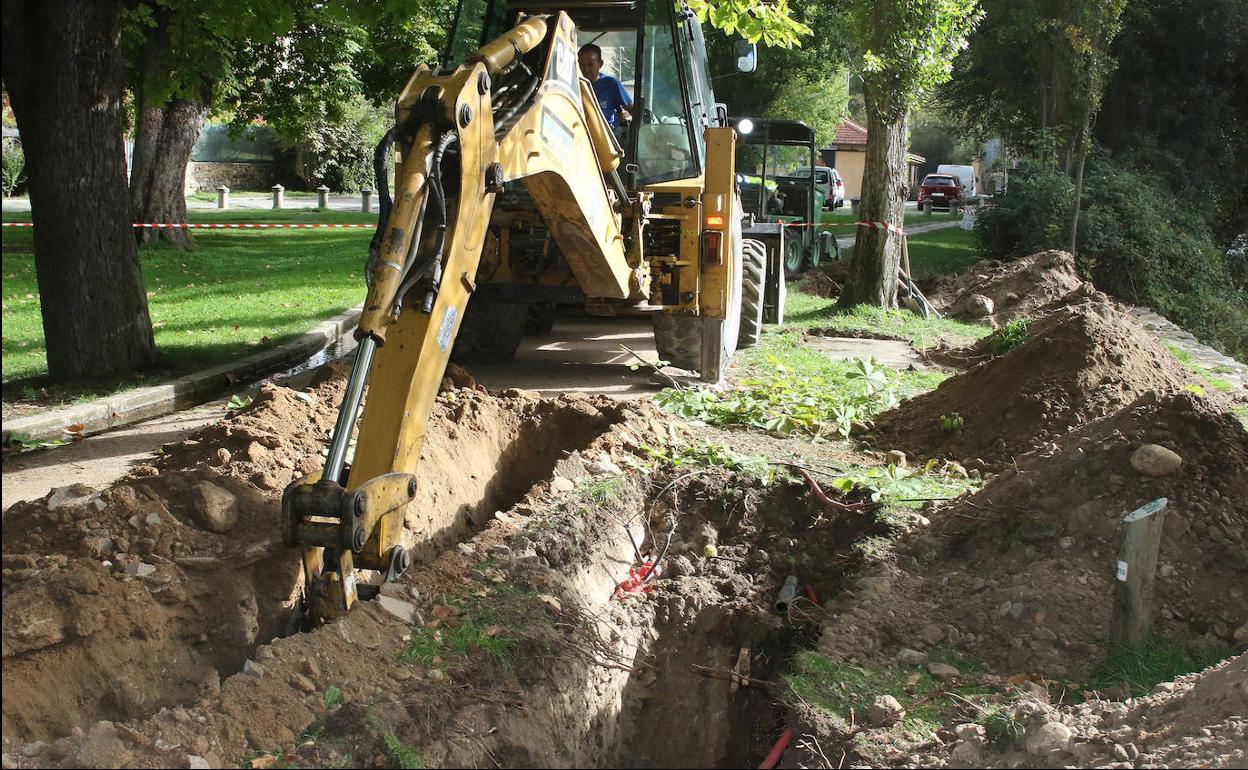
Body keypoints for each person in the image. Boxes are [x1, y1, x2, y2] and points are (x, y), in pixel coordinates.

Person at [577, 43, 634, 129]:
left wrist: (628, 118)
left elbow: (631, 110)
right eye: (582, 65)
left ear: (600, 64)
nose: (586, 70)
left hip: (605, 136)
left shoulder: (610, 84)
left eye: (590, 65)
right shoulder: (574, 84)